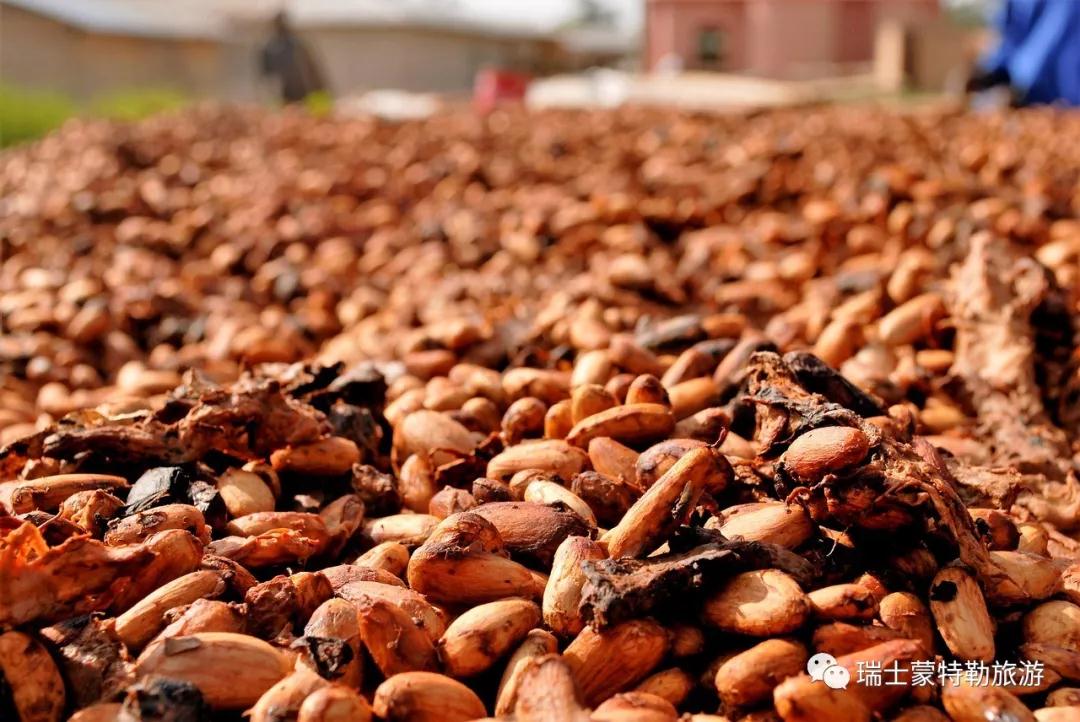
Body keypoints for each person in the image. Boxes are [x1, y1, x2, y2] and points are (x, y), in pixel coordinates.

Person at [967, 0, 1080, 107]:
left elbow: (1051, 36)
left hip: (1059, 93)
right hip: (1027, 88)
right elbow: (1010, 34)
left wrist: (1019, 86)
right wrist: (991, 74)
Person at [260, 12, 327, 104]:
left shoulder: (297, 45)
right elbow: (267, 77)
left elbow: (311, 71)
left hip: (303, 92)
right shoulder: (270, 49)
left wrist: (318, 91)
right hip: (286, 94)